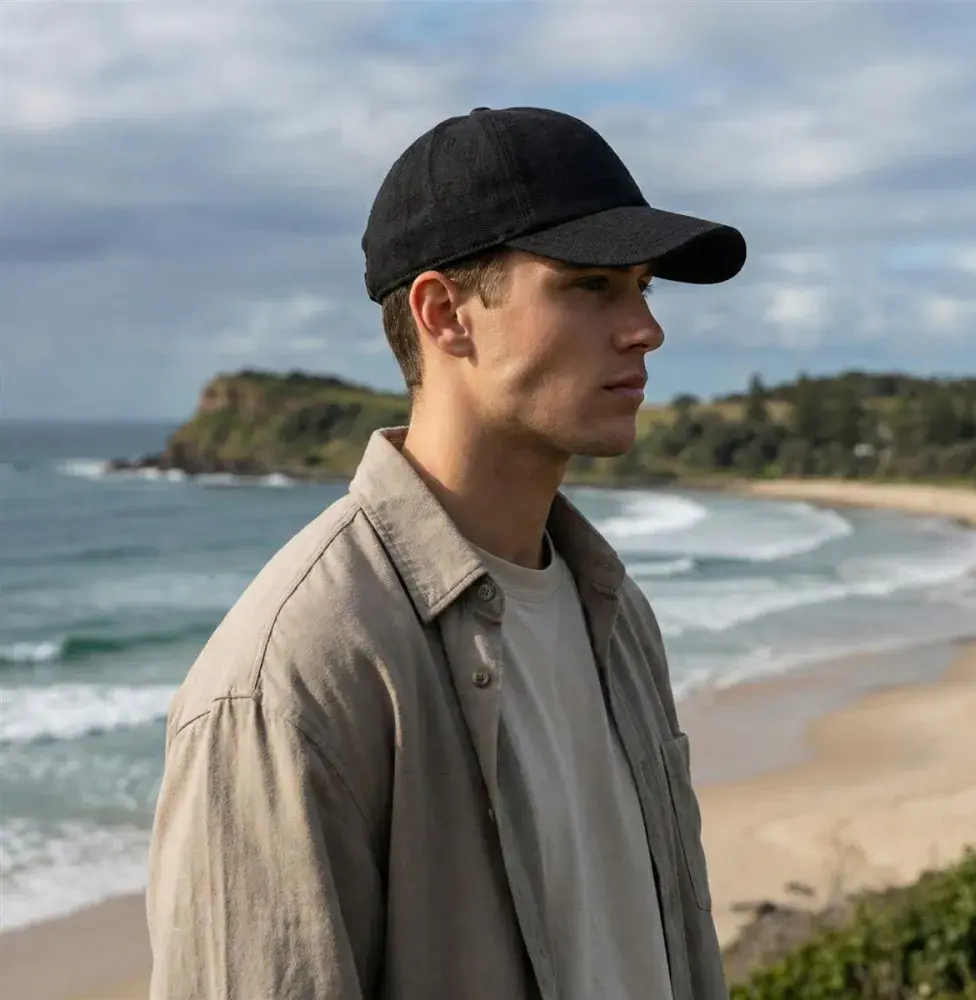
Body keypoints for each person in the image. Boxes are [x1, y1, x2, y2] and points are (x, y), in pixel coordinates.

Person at [146, 105, 746, 1000]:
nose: (644, 328)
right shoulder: (293, 678)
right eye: (591, 286)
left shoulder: (615, 614)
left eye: (643, 287)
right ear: (445, 314)